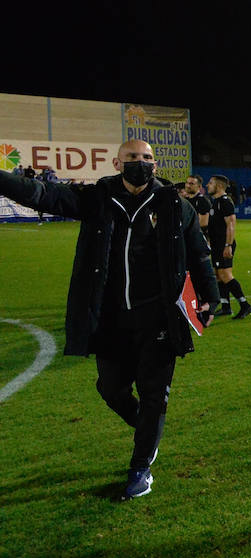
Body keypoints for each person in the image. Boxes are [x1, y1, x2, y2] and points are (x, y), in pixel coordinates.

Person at [0, 140, 218, 499]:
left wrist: (210, 296)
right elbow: (42, 194)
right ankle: (145, 426)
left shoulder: (174, 205)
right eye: (133, 157)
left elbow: (198, 253)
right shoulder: (97, 198)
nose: (140, 163)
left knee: (154, 395)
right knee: (111, 389)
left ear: (155, 164)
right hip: (111, 318)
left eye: (146, 158)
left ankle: (141, 467)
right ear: (118, 163)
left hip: (158, 317)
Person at [205, 174, 251, 319]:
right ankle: (226, 306)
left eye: (210, 183)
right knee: (218, 275)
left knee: (225, 275)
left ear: (219, 186)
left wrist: (228, 245)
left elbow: (231, 224)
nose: (207, 185)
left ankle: (245, 305)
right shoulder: (215, 202)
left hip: (224, 244)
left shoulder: (225, 202)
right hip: (217, 245)